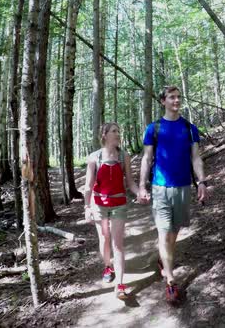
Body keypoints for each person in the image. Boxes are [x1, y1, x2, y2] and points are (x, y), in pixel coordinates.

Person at [137, 85, 208, 304]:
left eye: (178, 97)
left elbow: (195, 157)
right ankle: (170, 280)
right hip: (160, 188)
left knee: (173, 233)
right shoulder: (154, 128)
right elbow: (147, 159)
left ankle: (163, 258)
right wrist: (141, 185)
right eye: (171, 97)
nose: (176, 101)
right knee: (164, 232)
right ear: (163, 101)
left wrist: (202, 181)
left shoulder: (189, 128)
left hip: (183, 187)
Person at [83, 123, 139, 300]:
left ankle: (120, 284)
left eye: (118, 131)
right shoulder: (94, 157)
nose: (118, 134)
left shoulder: (124, 156)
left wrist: (140, 192)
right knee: (104, 238)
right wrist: (87, 207)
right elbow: (88, 186)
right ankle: (108, 266)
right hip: (98, 203)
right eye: (114, 131)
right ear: (104, 135)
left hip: (119, 203)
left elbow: (130, 182)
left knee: (118, 243)